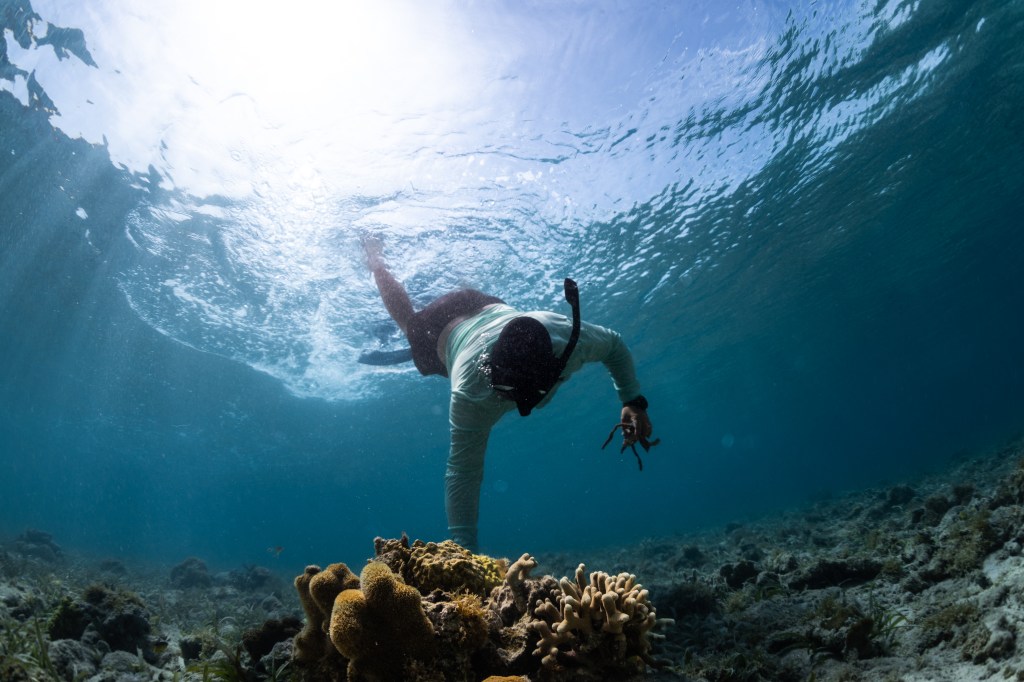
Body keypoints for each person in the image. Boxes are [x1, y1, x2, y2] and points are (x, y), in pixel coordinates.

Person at [362, 237, 655, 551]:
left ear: (554, 364)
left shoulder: (562, 337)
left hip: (480, 304)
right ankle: (376, 261)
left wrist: (633, 402)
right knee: (409, 324)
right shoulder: (472, 390)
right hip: (447, 325)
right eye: (510, 397)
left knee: (415, 317)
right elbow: (462, 473)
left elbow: (464, 471)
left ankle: (377, 258)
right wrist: (463, 548)